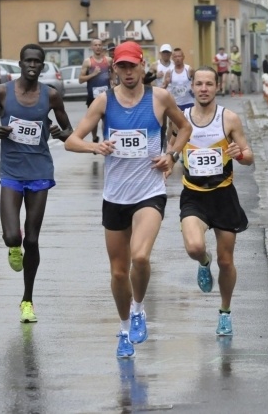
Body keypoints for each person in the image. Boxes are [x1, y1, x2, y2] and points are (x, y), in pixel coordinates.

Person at [64, 40, 192, 358]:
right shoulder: (104, 102)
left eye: (132, 65)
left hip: (150, 192)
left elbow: (185, 127)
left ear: (142, 66)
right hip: (115, 196)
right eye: (121, 66)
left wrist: (172, 155)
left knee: (141, 257)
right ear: (114, 69)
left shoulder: (159, 98)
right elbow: (71, 141)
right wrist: (96, 147)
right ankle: (124, 328)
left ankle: (138, 308)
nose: (127, 71)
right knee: (119, 272)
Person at [0, 43, 73, 323]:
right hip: (11, 172)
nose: (32, 66)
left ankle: (27, 300)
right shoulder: (2, 91)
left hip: (39, 172)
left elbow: (69, 128)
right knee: (14, 236)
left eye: (38, 62)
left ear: (42, 66)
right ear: (20, 64)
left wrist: (61, 133)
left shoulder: (51, 96)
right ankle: (13, 246)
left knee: (32, 239)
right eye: (28, 61)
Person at [166, 66, 253, 337]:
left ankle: (225, 312)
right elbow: (173, 149)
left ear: (217, 87)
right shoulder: (180, 120)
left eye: (209, 84)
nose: (203, 88)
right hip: (193, 195)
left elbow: (249, 156)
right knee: (194, 246)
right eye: (199, 84)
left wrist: (240, 154)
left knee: (226, 262)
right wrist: (168, 162)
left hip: (223, 196)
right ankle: (204, 262)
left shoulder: (229, 119)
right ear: (191, 87)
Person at [79, 39, 112, 142]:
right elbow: (80, 79)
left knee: (106, 118)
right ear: (92, 47)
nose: (98, 47)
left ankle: (105, 139)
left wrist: (113, 81)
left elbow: (115, 71)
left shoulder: (108, 60)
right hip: (92, 95)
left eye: (100, 45)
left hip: (106, 94)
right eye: (95, 45)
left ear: (102, 47)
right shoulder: (88, 61)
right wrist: (93, 74)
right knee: (94, 120)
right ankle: (94, 137)